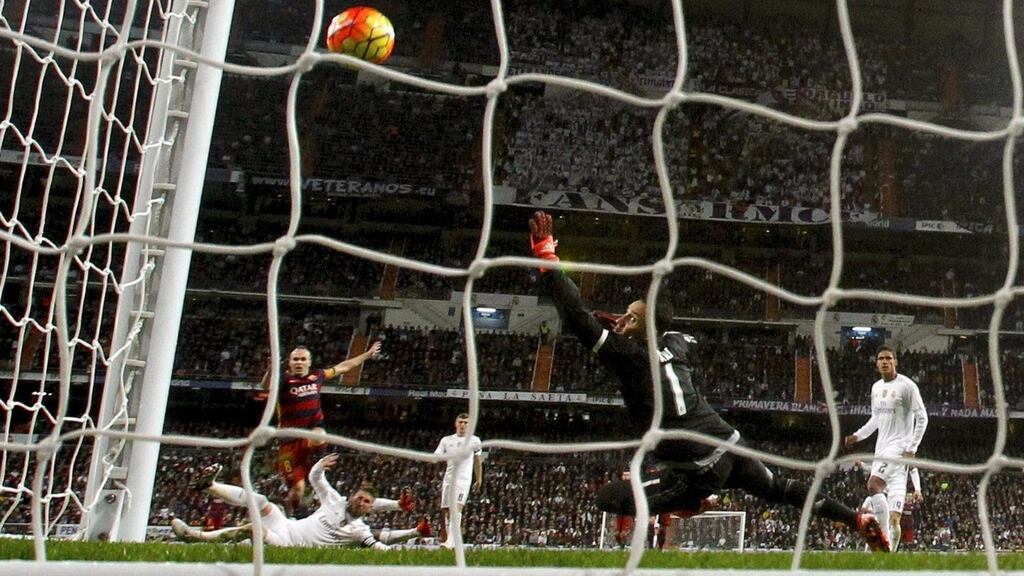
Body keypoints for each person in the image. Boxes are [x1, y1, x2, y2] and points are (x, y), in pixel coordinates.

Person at [526, 210, 891, 552]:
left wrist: (546, 254)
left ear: (644, 329)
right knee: (779, 488)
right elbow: (673, 336)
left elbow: (575, 316)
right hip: (729, 443)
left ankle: (695, 501)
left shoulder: (630, 359)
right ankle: (856, 518)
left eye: (631, 317)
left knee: (608, 498)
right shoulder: (677, 343)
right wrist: (626, 325)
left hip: (698, 470)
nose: (623, 318)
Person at [170, 453, 429, 548]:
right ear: (352, 496)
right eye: (359, 497)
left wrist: (413, 532)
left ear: (370, 507)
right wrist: (320, 464)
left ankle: (195, 538)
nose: (361, 502)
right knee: (261, 500)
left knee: (253, 529)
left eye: (366, 502)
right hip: (287, 525)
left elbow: (382, 543)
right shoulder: (335, 501)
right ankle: (210, 486)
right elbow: (316, 478)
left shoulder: (359, 531)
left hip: (288, 544)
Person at [260, 341, 382, 514]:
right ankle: (291, 515)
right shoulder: (284, 379)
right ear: (289, 362)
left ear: (309, 362)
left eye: (303, 359)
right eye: (295, 359)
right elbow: (266, 386)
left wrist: (367, 354)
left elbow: (343, 367)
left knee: (319, 433)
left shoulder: (317, 375)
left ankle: (316, 466)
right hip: (288, 441)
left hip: (311, 434)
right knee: (297, 491)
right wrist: (271, 368)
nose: (299, 362)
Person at [845, 346, 928, 552]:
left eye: (888, 358)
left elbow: (922, 417)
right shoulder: (876, 388)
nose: (884, 361)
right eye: (881, 358)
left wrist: (912, 447)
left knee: (873, 486)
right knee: (894, 518)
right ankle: (888, 550)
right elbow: (875, 419)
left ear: (895, 362)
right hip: (881, 449)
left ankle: (882, 538)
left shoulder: (907, 386)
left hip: (899, 448)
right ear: (876, 364)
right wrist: (858, 435)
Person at [434, 412, 483, 548]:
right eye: (460, 422)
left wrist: (479, 479)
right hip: (448, 479)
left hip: (463, 480)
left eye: (466, 422)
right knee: (446, 510)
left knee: (456, 509)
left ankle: (451, 542)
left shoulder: (475, 440)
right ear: (456, 424)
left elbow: (478, 461)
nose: (463, 425)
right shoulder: (446, 440)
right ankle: (448, 538)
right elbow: (437, 455)